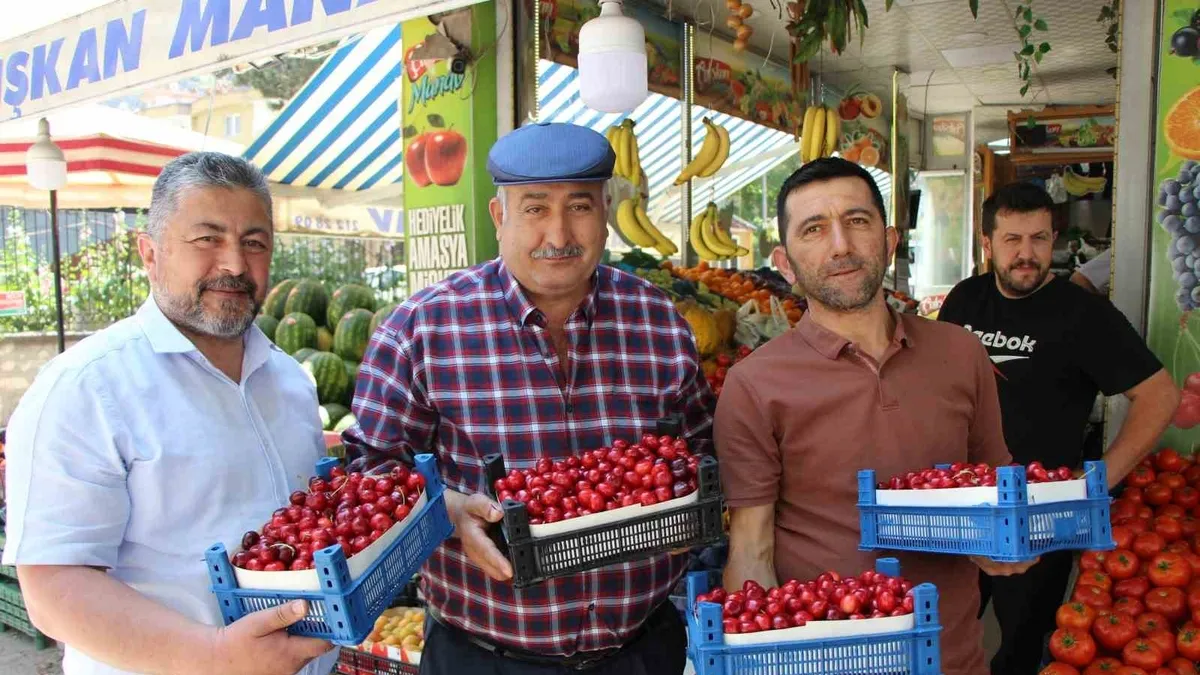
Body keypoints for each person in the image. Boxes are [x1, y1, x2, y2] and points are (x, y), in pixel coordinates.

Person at [341, 122, 714, 675]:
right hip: (485, 658)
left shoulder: (658, 320)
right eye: (535, 208)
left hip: (642, 651)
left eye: (580, 207)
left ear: (606, 212)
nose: (559, 233)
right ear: (500, 217)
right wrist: (445, 512)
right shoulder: (422, 329)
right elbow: (367, 476)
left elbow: (700, 453)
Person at [1, 153, 338, 675]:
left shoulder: (290, 380)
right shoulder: (85, 389)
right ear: (150, 253)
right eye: (207, 239)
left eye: (253, 243)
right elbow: (54, 586)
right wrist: (215, 657)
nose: (233, 263)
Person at [714, 157, 1034, 675]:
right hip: (826, 660)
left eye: (857, 221)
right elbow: (752, 551)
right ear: (786, 263)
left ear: (889, 241)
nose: (840, 245)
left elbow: (994, 488)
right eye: (814, 229)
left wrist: (1006, 541)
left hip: (952, 657)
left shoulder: (961, 352)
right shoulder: (754, 385)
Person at [938, 181, 1179, 675]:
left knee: (1022, 645)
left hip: (1040, 517)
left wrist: (1094, 482)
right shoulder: (964, 300)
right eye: (1012, 240)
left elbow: (1160, 394)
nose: (1027, 255)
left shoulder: (1083, 316)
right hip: (962, 507)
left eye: (1040, 239)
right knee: (947, 635)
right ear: (987, 244)